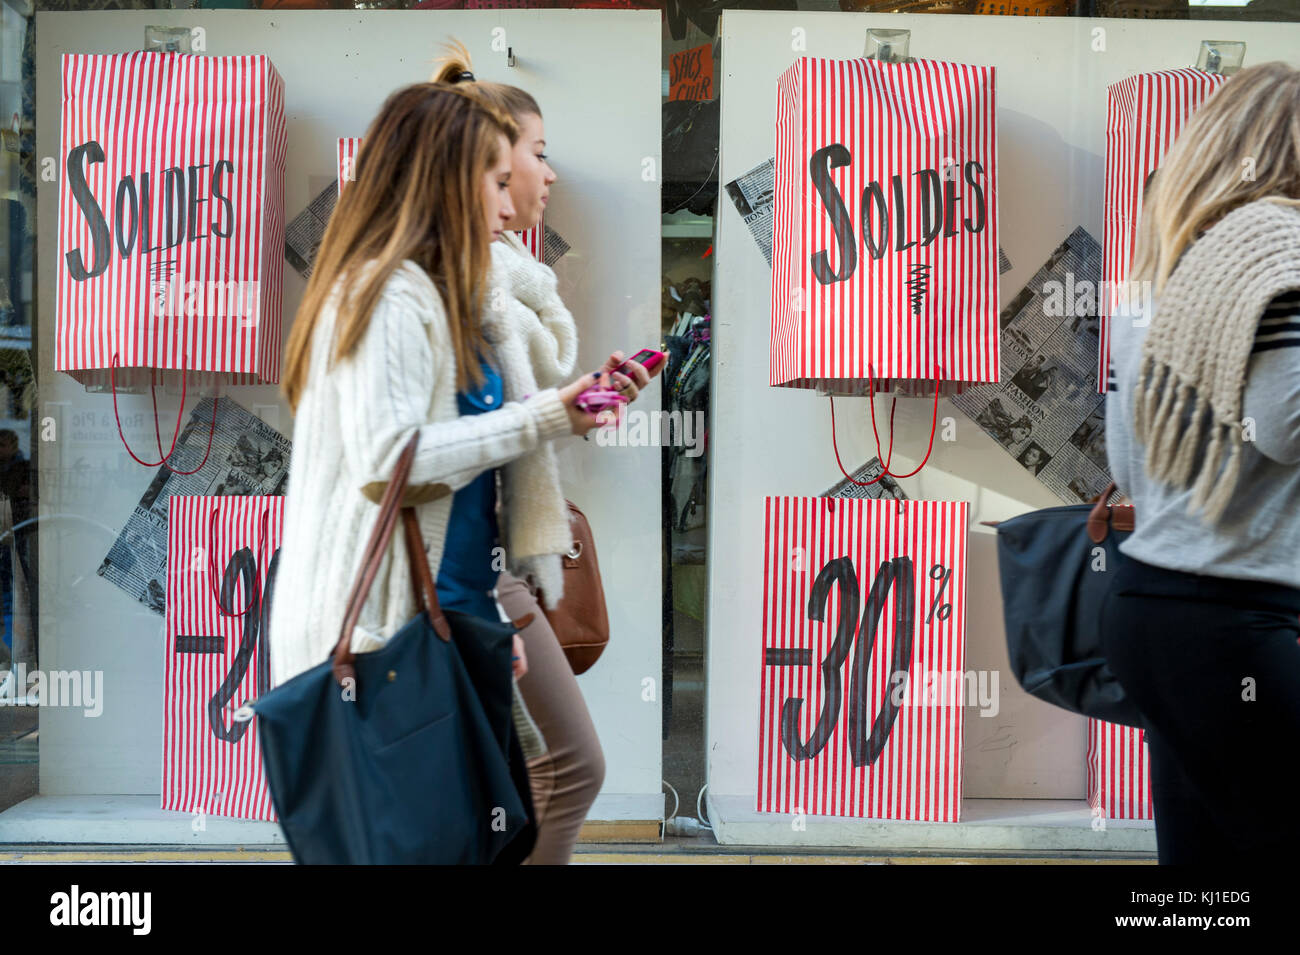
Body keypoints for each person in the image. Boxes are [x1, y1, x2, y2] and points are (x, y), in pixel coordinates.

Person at [268, 79, 624, 842]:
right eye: (500, 179)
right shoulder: (388, 294)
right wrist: (547, 414)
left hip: (440, 617)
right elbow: (389, 460)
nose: (511, 203)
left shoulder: (437, 292)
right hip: (376, 638)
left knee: (498, 821)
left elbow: (452, 496)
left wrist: (481, 619)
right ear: (449, 180)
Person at [430, 43, 661, 865]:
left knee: (535, 777)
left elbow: (494, 422)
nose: (547, 175)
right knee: (564, 770)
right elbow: (407, 455)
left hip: (486, 569)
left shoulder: (499, 278)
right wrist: (549, 417)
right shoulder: (441, 285)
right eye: (534, 155)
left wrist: (569, 411)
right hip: (456, 576)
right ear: (477, 169)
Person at [1101, 62, 1300, 864]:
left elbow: (1126, 460)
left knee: (1204, 877)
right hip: (1241, 624)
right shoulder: (1282, 275)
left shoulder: (1152, 286)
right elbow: (1283, 429)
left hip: (1149, 609)